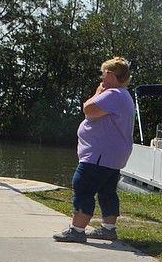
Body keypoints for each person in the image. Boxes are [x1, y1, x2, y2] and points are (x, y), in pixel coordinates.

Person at [53, 56, 135, 244]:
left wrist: (97, 93)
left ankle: (77, 230)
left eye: (103, 74)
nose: (101, 79)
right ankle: (108, 229)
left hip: (100, 154)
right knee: (106, 190)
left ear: (111, 75)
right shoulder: (124, 95)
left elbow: (89, 109)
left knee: (83, 185)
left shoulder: (113, 94)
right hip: (112, 154)